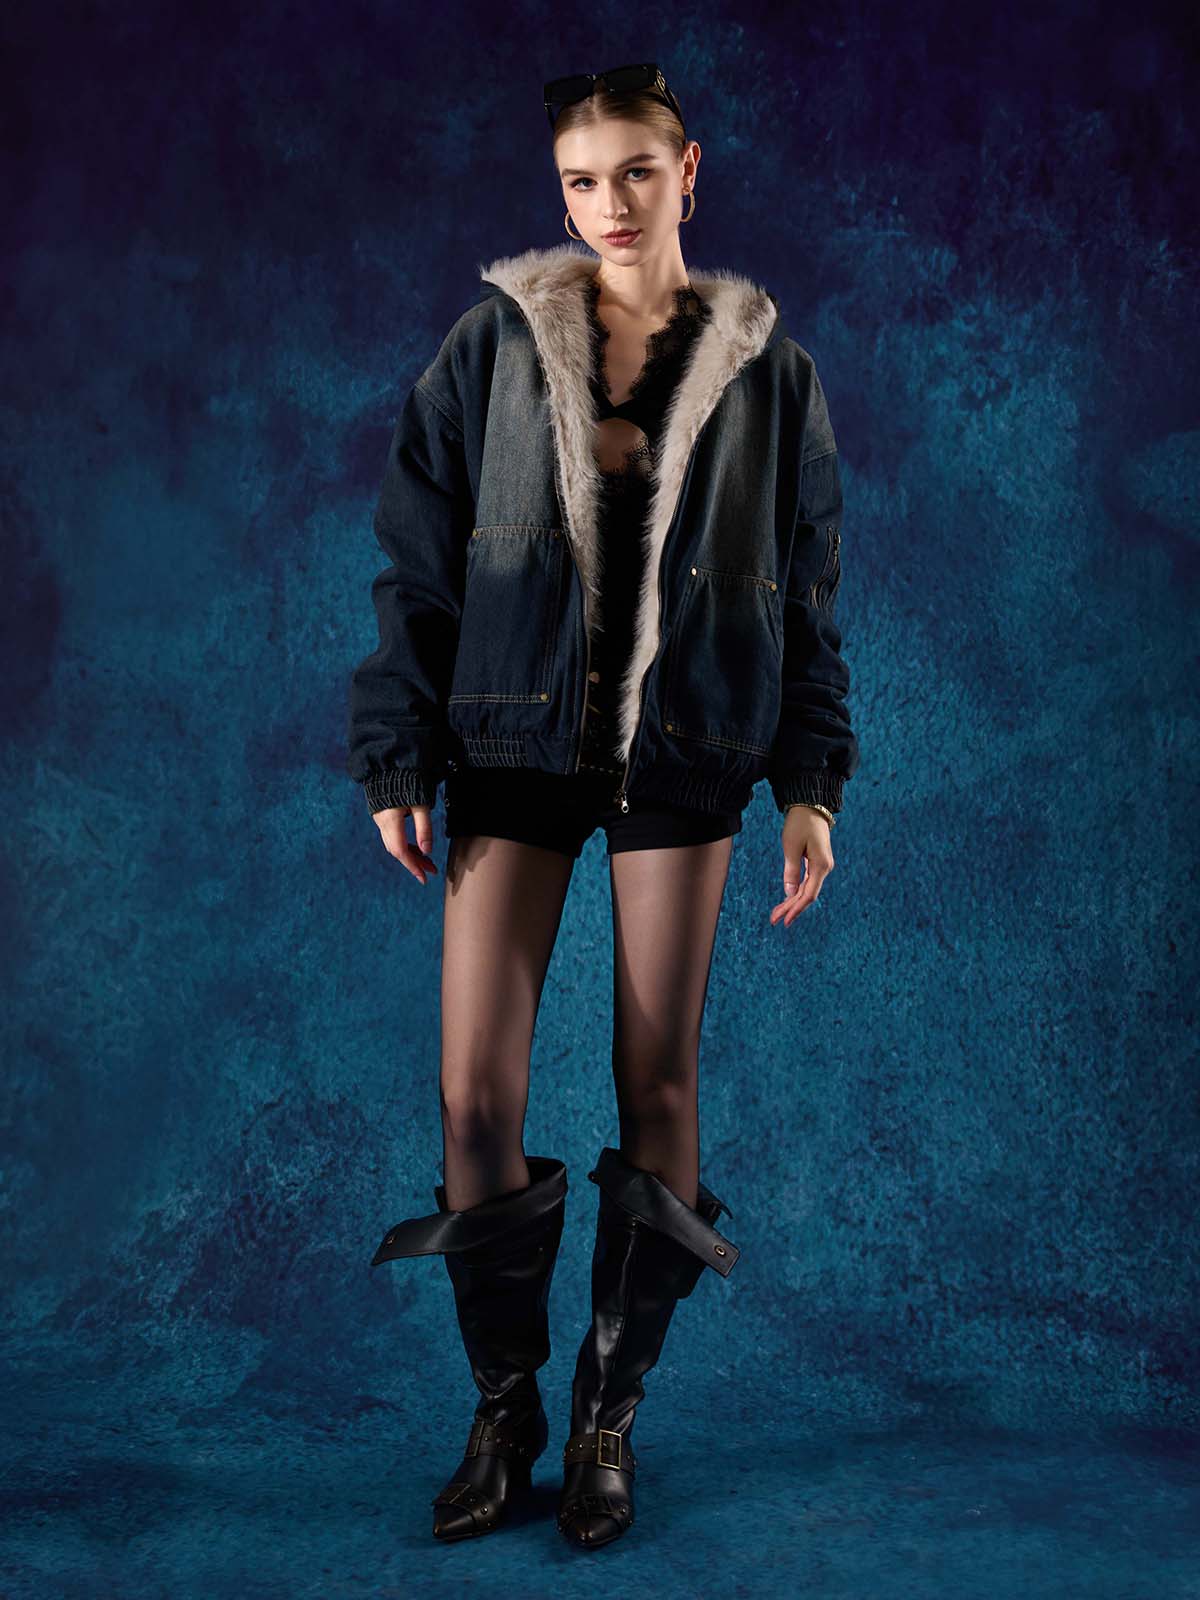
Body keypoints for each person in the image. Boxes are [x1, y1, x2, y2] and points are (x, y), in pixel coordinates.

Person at [347, 63, 860, 1549]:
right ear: (559, 193)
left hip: (686, 750)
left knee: (660, 1086)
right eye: (582, 180)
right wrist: (396, 756)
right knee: (474, 1095)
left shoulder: (772, 374)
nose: (610, 204)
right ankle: (504, 1408)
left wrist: (810, 789)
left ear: (688, 171)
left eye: (636, 171)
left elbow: (808, 603)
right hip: (513, 744)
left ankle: (607, 1416)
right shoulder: (491, 348)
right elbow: (417, 563)